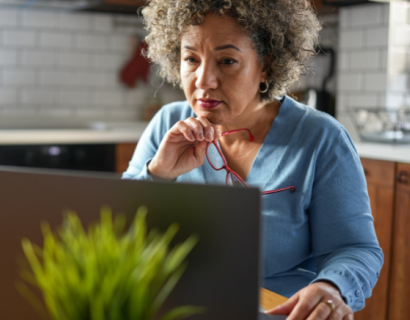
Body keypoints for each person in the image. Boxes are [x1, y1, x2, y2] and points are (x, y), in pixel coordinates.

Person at [122, 1, 383, 319]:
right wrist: (158, 174)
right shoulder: (168, 123)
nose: (204, 80)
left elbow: (354, 249)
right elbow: (119, 235)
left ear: (266, 65)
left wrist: (331, 287)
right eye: (191, 58)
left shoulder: (321, 138)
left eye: (227, 61)